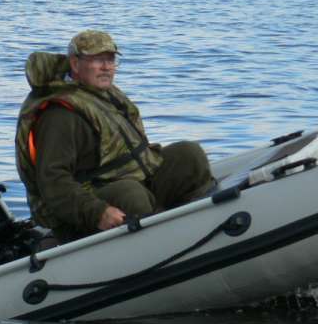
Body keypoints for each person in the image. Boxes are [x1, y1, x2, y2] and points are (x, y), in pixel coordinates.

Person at [15, 30, 214, 243]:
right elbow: (53, 183)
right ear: (75, 64)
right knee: (131, 194)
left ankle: (207, 226)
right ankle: (156, 248)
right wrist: (97, 212)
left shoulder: (101, 94)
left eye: (110, 60)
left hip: (127, 179)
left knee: (189, 155)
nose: (106, 67)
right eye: (98, 60)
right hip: (81, 211)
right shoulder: (59, 116)